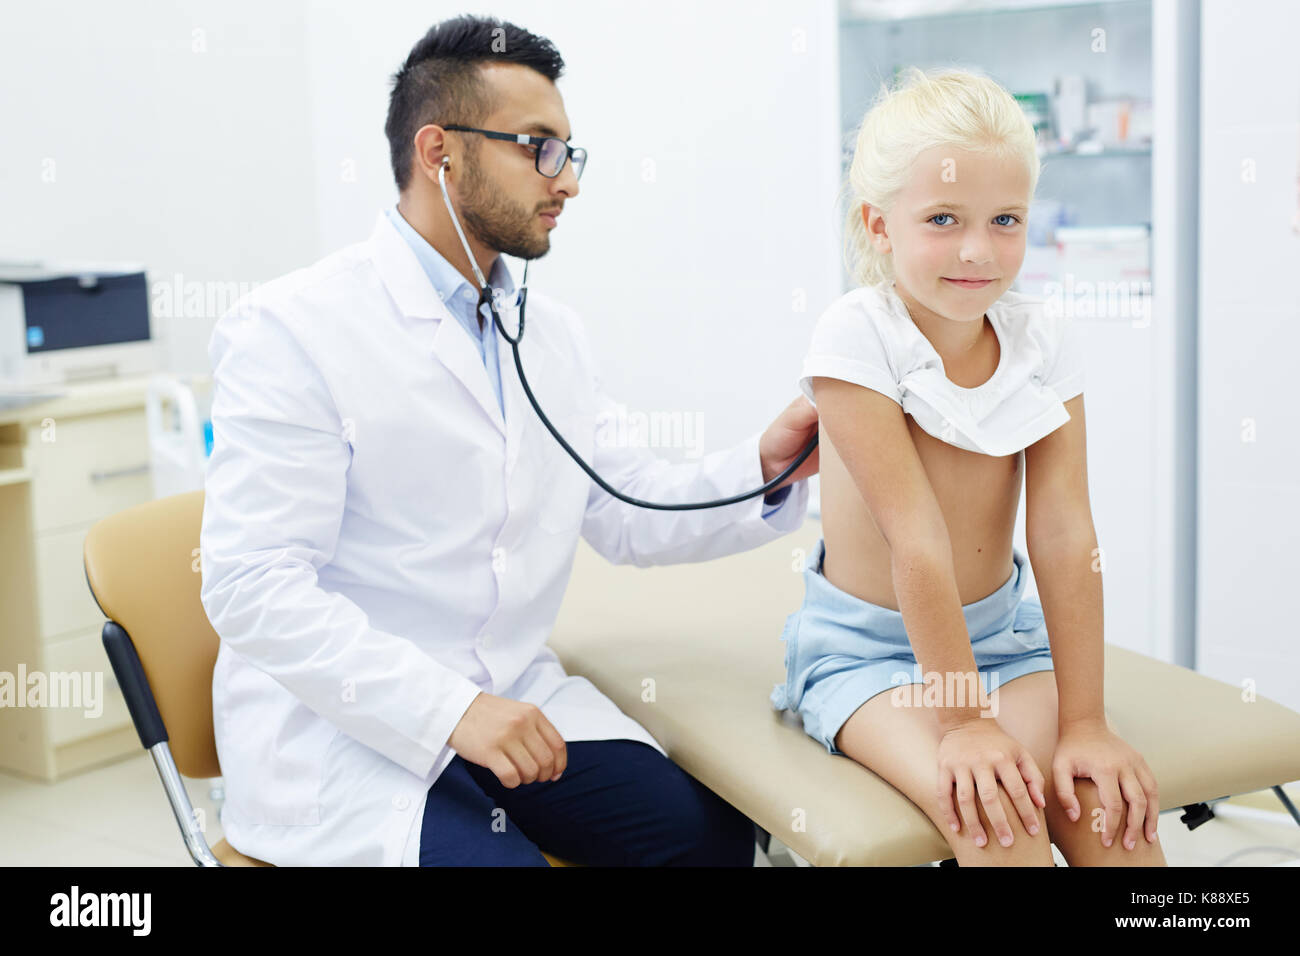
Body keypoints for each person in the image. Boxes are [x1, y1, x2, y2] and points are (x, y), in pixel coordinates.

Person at [199, 15, 817, 867]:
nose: (566, 182)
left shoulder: (546, 333)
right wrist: (449, 710)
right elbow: (251, 586)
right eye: (539, 148)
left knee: (708, 839)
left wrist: (767, 467)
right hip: (345, 733)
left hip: (514, 701)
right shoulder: (292, 330)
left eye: (568, 151)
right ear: (439, 153)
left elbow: (626, 506)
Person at [769, 66, 1165, 867]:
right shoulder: (857, 335)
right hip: (871, 656)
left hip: (1004, 640)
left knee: (1109, 823)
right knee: (1000, 829)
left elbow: (1062, 529)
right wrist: (965, 724)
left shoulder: (1042, 337)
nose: (979, 250)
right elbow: (915, 540)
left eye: (1005, 219)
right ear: (878, 227)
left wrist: (1085, 720)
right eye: (943, 218)